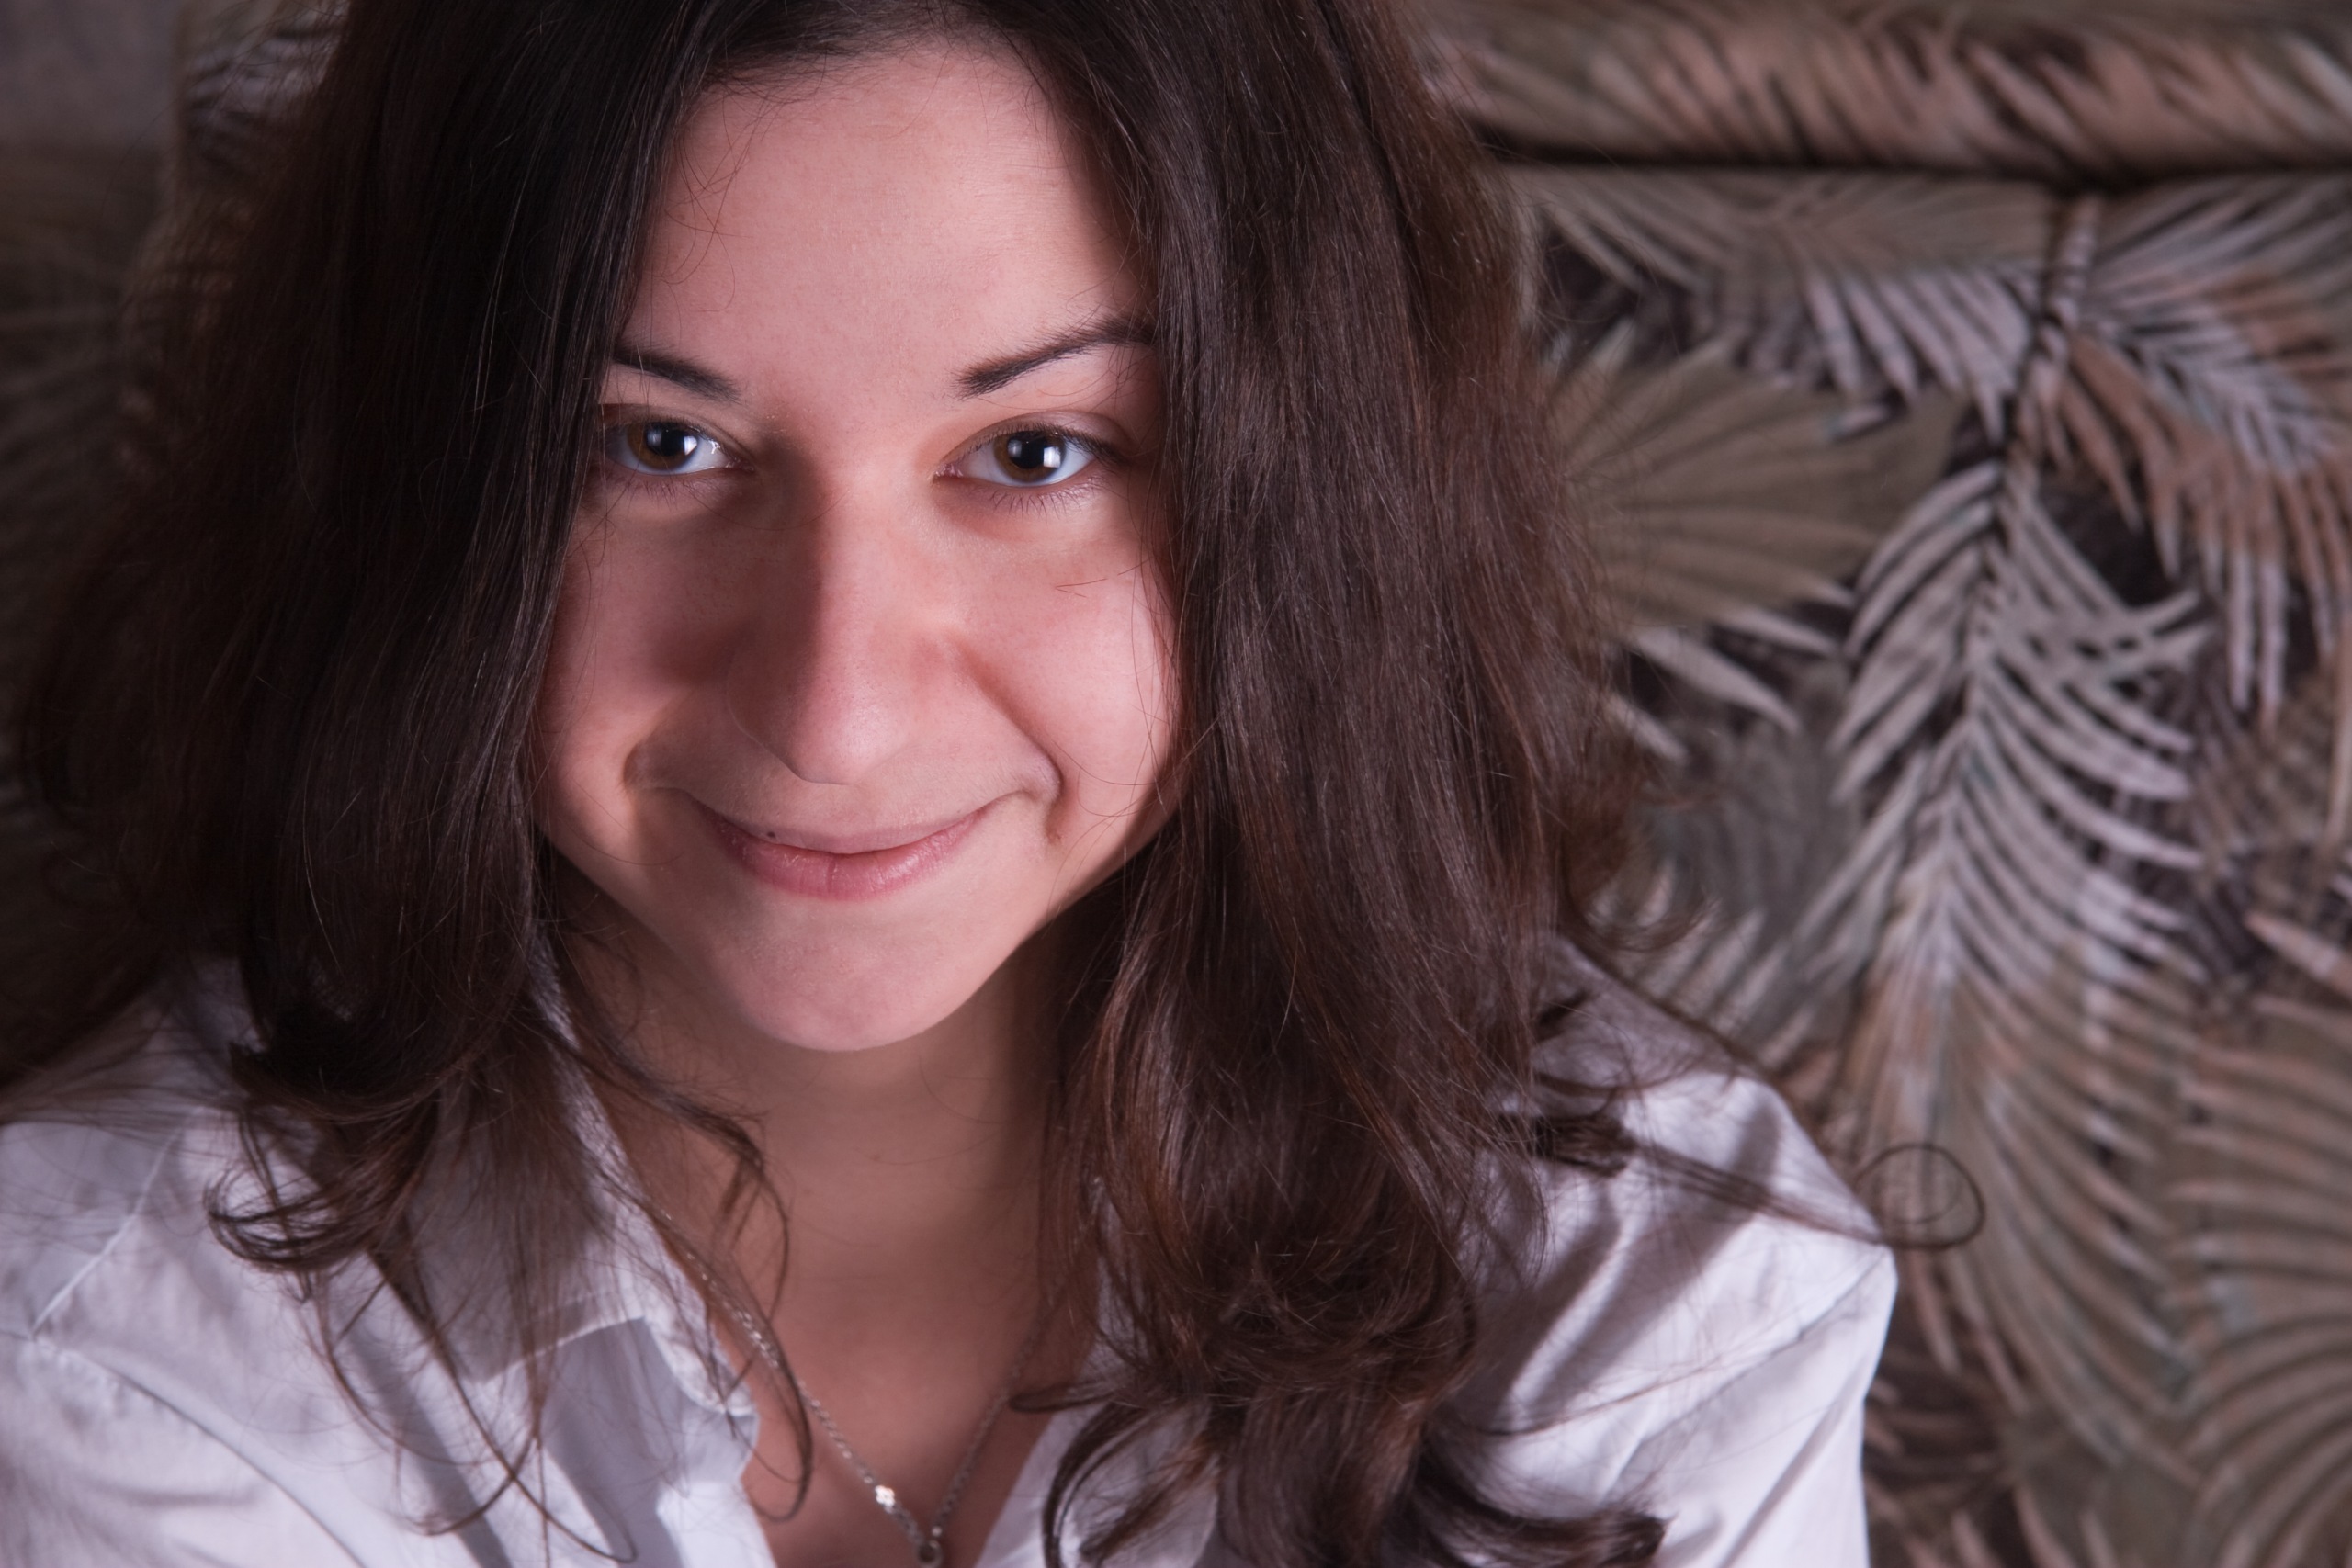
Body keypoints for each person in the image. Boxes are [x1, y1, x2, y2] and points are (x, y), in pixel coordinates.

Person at [0, 0, 1894, 1564]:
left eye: (1035, 452)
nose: (833, 716)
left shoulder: (1652, 1305)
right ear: (424, 489)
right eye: (653, 444)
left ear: (1293, 504)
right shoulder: (119, 1350)